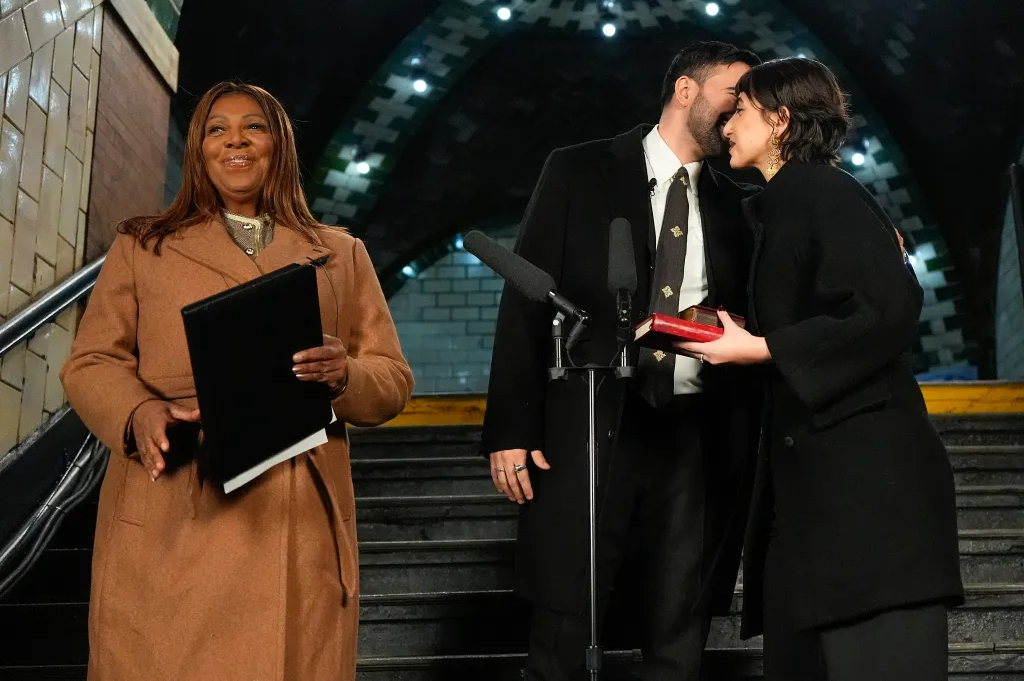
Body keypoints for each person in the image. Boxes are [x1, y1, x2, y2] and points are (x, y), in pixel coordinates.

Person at [60, 82, 413, 680]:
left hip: (298, 513)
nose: (235, 141)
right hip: (177, 496)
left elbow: (392, 378)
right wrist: (138, 414)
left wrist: (344, 374)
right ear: (198, 149)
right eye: (216, 129)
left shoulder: (339, 254)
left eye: (254, 126)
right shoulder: (144, 246)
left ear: (280, 145)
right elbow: (92, 361)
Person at [482, 42, 763, 680]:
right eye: (733, 95)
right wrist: (511, 432)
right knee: (567, 612)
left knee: (680, 615)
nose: (739, 112)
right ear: (686, 91)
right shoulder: (578, 171)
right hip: (589, 419)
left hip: (696, 429)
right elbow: (525, 297)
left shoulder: (739, 201)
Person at [679, 57, 964, 680]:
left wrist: (760, 348)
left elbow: (889, 308)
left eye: (742, 111)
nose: (727, 124)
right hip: (820, 510)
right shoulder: (787, 201)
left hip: (867, 509)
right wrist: (745, 335)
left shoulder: (822, 191)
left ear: (781, 120)